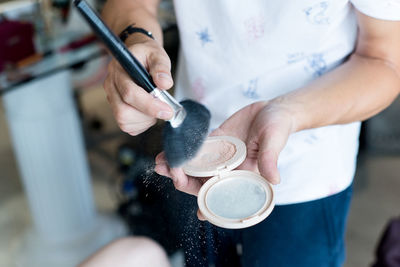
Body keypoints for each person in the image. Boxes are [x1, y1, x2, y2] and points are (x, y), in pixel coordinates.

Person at [101, 0, 400, 266]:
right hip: (196, 157)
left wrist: (287, 113)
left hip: (307, 172)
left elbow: (385, 61)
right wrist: (136, 39)